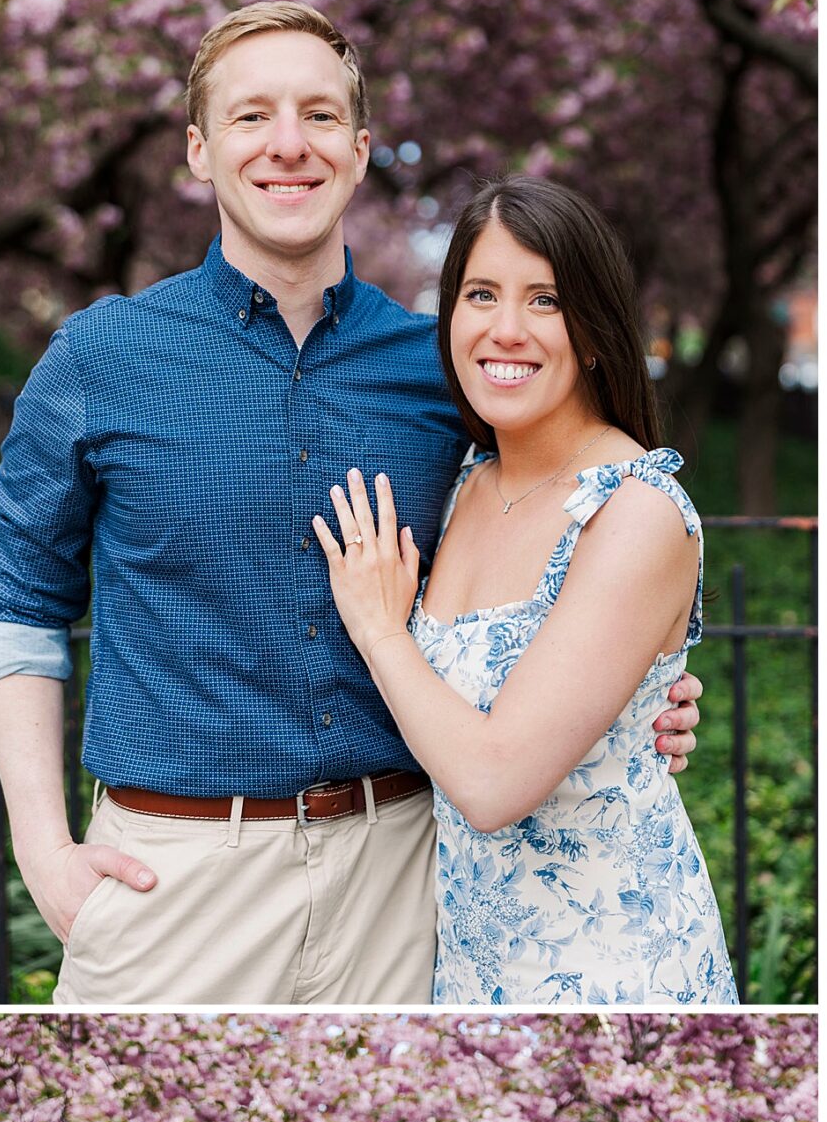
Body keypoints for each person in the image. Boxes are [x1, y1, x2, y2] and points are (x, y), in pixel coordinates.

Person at [0, 0, 704, 1007]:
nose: (288, 144)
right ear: (197, 150)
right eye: (250, 117)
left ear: (360, 154)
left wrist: (645, 696)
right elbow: (16, 607)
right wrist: (42, 850)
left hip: (406, 884)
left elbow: (553, 541)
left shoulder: (441, 373)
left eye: (319, 116)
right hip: (174, 882)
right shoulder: (99, 360)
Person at [312, 176, 735, 1003]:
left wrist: (381, 631)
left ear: (596, 330)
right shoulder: (467, 480)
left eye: (545, 299)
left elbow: (494, 785)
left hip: (616, 971)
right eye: (481, 294)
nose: (507, 330)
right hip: (471, 970)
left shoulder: (635, 508)